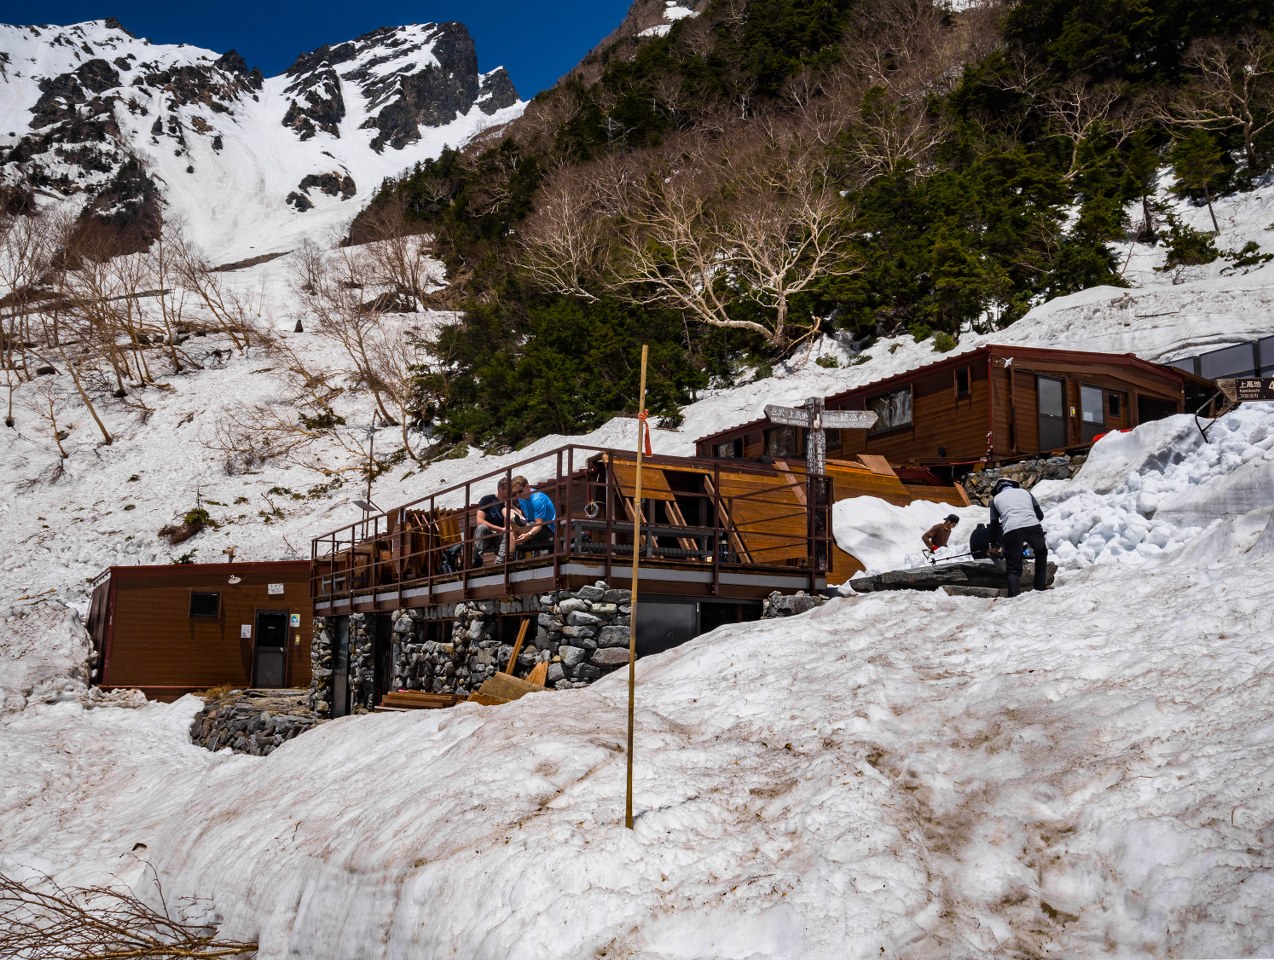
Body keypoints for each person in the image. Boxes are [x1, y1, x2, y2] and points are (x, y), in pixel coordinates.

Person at [988, 478, 1048, 597]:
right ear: (1013, 485)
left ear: (998, 490)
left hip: (1012, 530)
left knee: (1013, 566)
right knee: (1041, 553)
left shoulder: (995, 500)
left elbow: (994, 525)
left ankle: (1014, 595)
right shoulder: (1026, 493)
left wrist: (994, 545)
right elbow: (1040, 516)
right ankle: (1040, 587)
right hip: (1033, 525)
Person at [472, 478, 521, 565]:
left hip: (501, 536)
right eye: (509, 489)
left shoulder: (510, 503)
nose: (512, 491)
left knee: (509, 531)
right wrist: (500, 528)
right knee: (481, 528)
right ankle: (477, 560)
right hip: (489, 534)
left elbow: (517, 519)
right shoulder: (487, 500)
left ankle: (499, 561)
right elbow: (479, 521)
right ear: (501, 489)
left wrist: (511, 508)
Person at [511, 475, 556, 555]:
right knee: (509, 517)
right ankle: (511, 553)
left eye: (520, 491)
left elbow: (539, 525)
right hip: (532, 525)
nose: (518, 495)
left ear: (527, 486)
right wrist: (513, 507)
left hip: (547, 529)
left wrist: (528, 534)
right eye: (515, 493)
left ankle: (510, 553)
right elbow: (525, 515)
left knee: (513, 527)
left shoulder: (537, 499)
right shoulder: (522, 498)